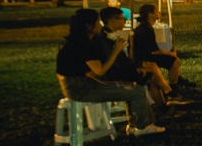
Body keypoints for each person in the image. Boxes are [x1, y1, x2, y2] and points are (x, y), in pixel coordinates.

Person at [55, 9, 164, 137]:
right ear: (89, 26)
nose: (101, 25)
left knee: (132, 88)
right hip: (81, 89)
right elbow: (100, 71)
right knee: (137, 91)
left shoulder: (77, 41)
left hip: (79, 85)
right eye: (98, 23)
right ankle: (142, 127)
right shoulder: (82, 44)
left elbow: (87, 71)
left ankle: (137, 125)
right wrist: (116, 50)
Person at [95, 6, 174, 105]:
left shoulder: (108, 35)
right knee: (150, 72)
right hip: (114, 73)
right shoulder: (106, 38)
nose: (125, 21)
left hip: (120, 67)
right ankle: (168, 96)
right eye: (122, 18)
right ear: (112, 20)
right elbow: (117, 60)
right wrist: (136, 66)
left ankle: (163, 102)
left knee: (151, 69)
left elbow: (121, 59)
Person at [132, 3, 185, 97]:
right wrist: (170, 53)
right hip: (144, 57)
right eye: (156, 11)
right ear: (150, 14)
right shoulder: (146, 29)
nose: (159, 12)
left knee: (173, 60)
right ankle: (173, 87)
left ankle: (173, 85)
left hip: (146, 55)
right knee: (174, 60)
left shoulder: (146, 27)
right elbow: (154, 50)